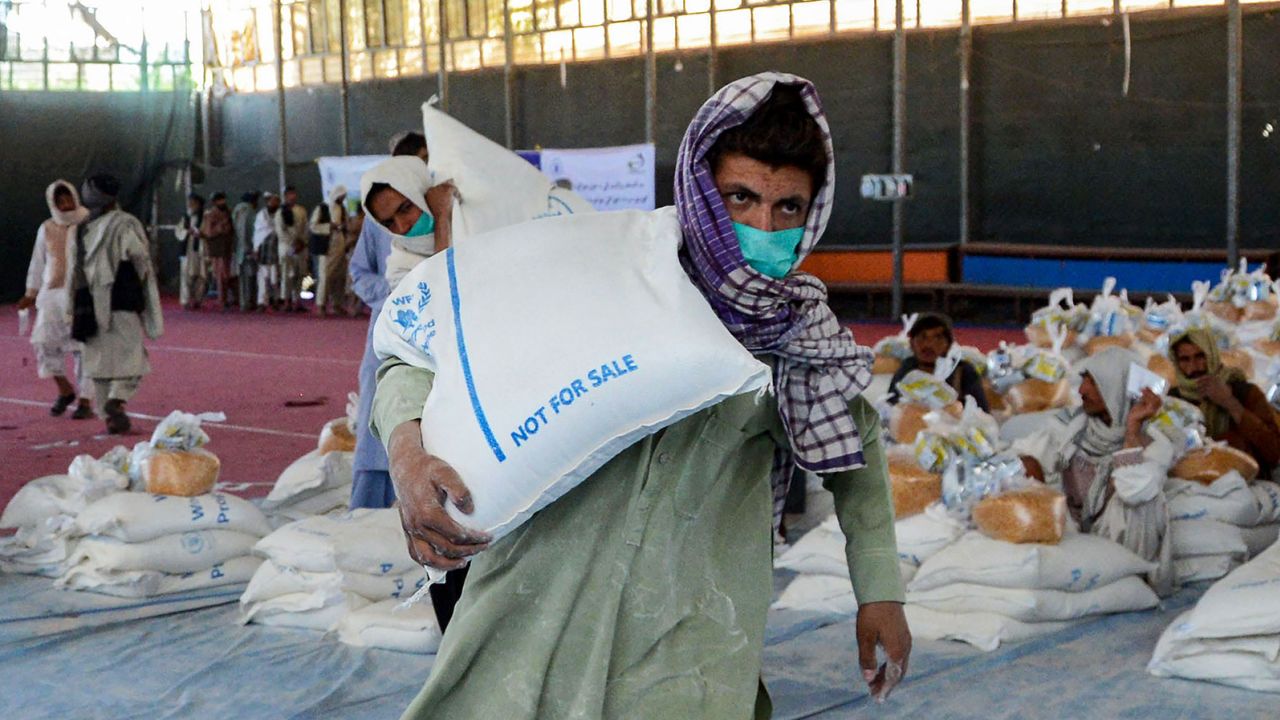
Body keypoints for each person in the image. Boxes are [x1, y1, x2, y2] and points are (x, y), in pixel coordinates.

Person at [372, 75, 911, 718]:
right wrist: (407, 457)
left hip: (689, 634)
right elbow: (419, 357)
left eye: (788, 208)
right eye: (740, 197)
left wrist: (879, 591)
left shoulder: (800, 338)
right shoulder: (601, 270)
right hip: (538, 609)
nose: (763, 227)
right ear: (699, 188)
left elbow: (858, 452)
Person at [1013, 346, 1173, 594]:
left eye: (1094, 383)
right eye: (1084, 380)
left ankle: (1129, 578)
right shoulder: (1069, 426)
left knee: (1144, 499)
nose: (1081, 390)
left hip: (1117, 538)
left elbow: (1134, 491)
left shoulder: (1156, 443)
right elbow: (1021, 457)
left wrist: (1131, 429)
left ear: (1118, 387)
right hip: (1072, 533)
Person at [348, 131, 431, 509]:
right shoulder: (377, 222)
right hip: (390, 336)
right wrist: (395, 298)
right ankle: (366, 514)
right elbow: (359, 273)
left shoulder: (451, 213)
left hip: (441, 346)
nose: (399, 223)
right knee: (380, 422)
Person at [74, 174, 163, 435]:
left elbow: (74, 270)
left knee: (98, 361)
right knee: (132, 356)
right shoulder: (124, 224)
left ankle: (109, 416)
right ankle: (117, 399)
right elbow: (137, 254)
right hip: (121, 298)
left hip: (88, 303)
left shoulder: (83, 229)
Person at [19, 180, 93, 419]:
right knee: (43, 341)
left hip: (82, 292)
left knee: (84, 348)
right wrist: (31, 292)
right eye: (59, 201)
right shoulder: (47, 227)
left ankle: (86, 400)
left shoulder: (87, 222)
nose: (65, 204)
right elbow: (38, 261)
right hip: (51, 294)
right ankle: (64, 389)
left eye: (68, 198)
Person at [1168, 329, 1280, 478]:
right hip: (1190, 483)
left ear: (1212, 355)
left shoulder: (1244, 393)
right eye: (1185, 359)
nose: (1194, 367)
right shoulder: (1173, 399)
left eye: (1200, 356)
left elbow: (1274, 453)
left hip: (1244, 482)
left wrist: (1230, 403)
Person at [886, 312, 989, 412]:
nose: (928, 344)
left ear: (948, 345)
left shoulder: (963, 371)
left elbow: (982, 413)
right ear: (912, 344)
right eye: (922, 337)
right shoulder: (907, 368)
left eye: (937, 338)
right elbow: (891, 405)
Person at [308, 185, 346, 316]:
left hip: (340, 245)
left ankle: (337, 304)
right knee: (325, 276)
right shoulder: (322, 208)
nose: (343, 198)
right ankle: (320, 305)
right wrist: (329, 226)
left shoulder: (342, 208)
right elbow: (313, 226)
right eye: (341, 196)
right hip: (326, 246)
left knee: (339, 276)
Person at [275, 186, 309, 312]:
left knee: (301, 274)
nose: (292, 197)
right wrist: (293, 243)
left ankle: (297, 301)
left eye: (293, 194)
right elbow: (280, 232)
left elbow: (306, 228)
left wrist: (302, 242)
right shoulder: (280, 212)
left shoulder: (301, 210)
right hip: (286, 247)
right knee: (286, 275)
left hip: (300, 247)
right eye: (289, 194)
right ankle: (286, 300)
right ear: (285, 196)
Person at [201, 191, 236, 310]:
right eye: (220, 200)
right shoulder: (210, 214)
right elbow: (207, 232)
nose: (223, 202)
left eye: (224, 199)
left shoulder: (228, 212)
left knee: (227, 274)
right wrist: (220, 228)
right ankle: (222, 300)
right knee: (220, 275)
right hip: (217, 248)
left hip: (227, 247)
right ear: (215, 202)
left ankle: (226, 298)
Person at [174, 193, 206, 310]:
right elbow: (178, 230)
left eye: (193, 203)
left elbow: (207, 231)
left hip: (201, 250)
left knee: (201, 276)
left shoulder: (205, 217)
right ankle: (185, 300)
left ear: (198, 204)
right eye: (189, 203)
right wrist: (187, 232)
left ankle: (198, 300)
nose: (190, 205)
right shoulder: (185, 217)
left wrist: (199, 233)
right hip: (187, 250)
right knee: (185, 275)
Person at [253, 192, 282, 311]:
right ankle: (262, 302)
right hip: (264, 249)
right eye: (270, 201)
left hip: (277, 249)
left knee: (276, 277)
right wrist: (256, 249)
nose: (273, 203)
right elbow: (259, 233)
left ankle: (276, 299)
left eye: (275, 201)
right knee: (263, 277)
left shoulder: (281, 214)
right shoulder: (261, 215)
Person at [232, 191, 260, 311]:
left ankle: (245, 302)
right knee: (250, 276)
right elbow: (245, 231)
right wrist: (249, 248)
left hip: (239, 249)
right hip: (247, 249)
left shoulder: (237, 211)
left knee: (243, 277)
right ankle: (249, 302)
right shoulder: (248, 211)